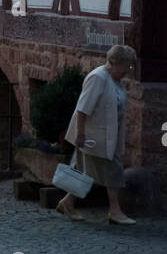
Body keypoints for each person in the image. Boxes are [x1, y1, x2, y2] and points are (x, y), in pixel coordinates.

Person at [56, 45, 137, 225]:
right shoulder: (98, 78)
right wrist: (81, 134)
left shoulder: (115, 80)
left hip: (108, 137)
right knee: (112, 172)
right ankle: (114, 211)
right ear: (116, 63)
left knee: (90, 174)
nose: (128, 71)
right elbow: (83, 109)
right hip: (94, 138)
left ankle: (67, 202)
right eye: (127, 66)